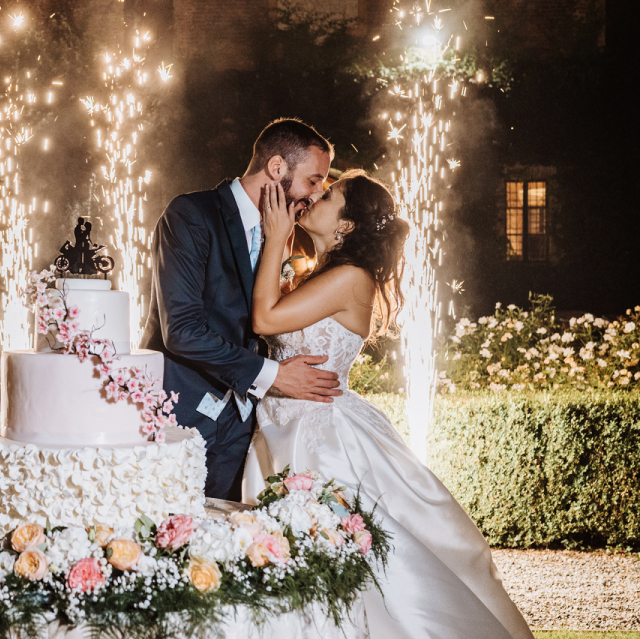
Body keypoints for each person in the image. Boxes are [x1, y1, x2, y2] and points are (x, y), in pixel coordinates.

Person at [243, 174, 534, 639]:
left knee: (338, 558)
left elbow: (264, 318)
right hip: (282, 426)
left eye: (329, 195)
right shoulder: (322, 272)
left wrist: (277, 235)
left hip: (319, 438)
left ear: (347, 226)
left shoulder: (349, 278)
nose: (315, 196)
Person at [141, 118, 343, 502]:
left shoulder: (284, 236)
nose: (316, 195)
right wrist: (274, 376)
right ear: (278, 168)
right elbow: (182, 329)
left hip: (243, 425)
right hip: (181, 416)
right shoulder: (192, 214)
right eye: (314, 180)